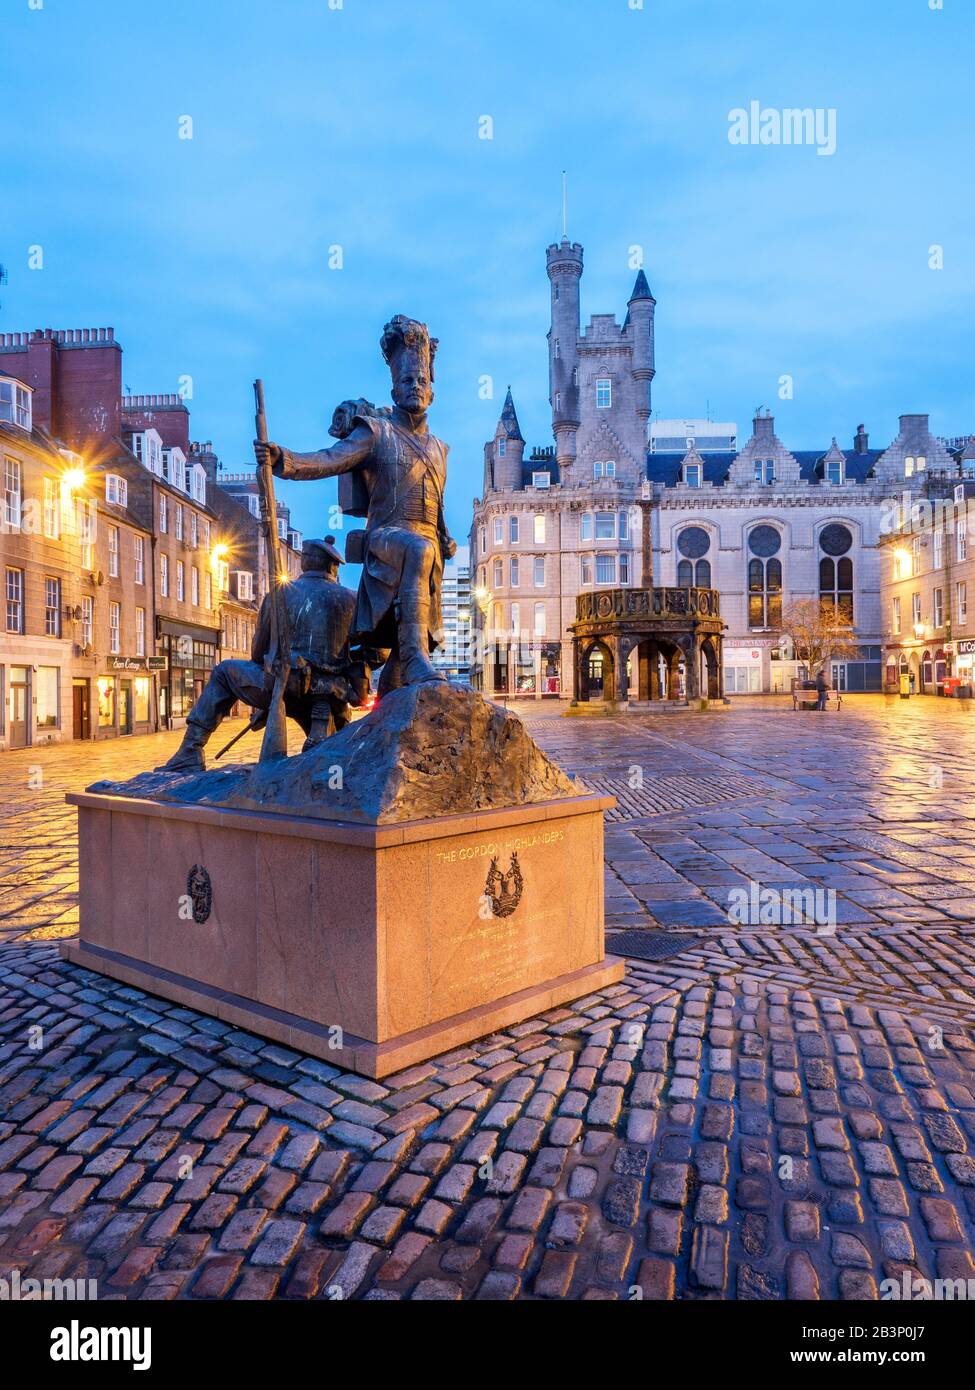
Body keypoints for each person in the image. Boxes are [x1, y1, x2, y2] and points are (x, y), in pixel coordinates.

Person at [253, 315, 457, 696]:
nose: (414, 387)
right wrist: (285, 460)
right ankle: (415, 657)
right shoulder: (376, 432)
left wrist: (446, 536)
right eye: (406, 381)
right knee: (419, 548)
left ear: (432, 392)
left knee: (424, 557)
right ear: (394, 389)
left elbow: (437, 503)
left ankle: (396, 697)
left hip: (428, 553)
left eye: (421, 381)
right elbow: (331, 458)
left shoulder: (440, 450)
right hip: (388, 540)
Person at [160, 537, 366, 772]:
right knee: (330, 745)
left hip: (286, 686)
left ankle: (190, 750)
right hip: (331, 692)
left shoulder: (280, 595)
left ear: (305, 564)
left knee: (223, 672)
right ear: (333, 567)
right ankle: (324, 734)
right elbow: (373, 653)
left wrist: (265, 701)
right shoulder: (352, 599)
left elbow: (258, 653)